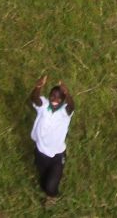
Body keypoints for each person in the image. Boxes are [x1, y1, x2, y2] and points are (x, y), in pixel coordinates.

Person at [28, 75, 74, 204]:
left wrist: (67, 93)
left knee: (51, 186)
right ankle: (46, 189)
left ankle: (52, 197)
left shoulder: (65, 112)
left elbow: (72, 106)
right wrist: (38, 87)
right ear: (49, 95)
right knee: (43, 181)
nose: (55, 99)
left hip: (57, 155)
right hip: (40, 152)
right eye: (53, 96)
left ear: (63, 100)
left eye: (59, 97)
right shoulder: (44, 106)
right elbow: (34, 99)